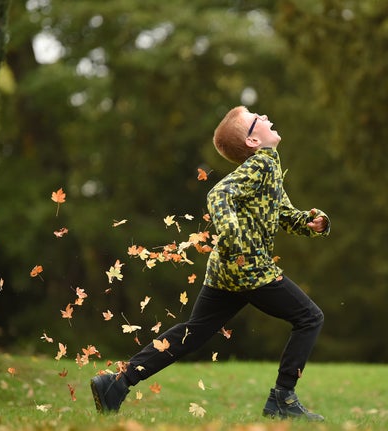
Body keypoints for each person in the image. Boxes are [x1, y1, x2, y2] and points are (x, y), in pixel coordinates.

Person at [90, 106, 330, 421]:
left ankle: (117, 382)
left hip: (225, 271)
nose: (267, 117)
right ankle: (282, 399)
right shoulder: (261, 165)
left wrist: (311, 223)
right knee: (310, 317)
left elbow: (283, 215)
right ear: (253, 140)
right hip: (249, 268)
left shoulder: (268, 166)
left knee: (194, 332)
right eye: (258, 119)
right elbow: (218, 195)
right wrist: (235, 239)